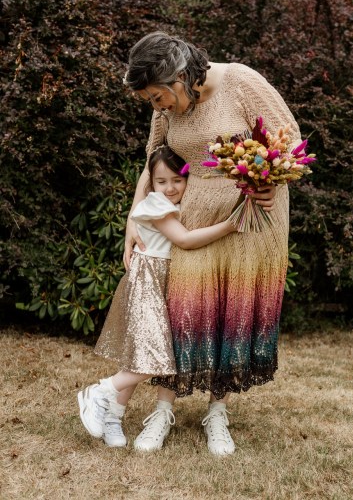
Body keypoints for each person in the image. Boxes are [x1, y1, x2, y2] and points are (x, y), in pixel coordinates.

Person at [121, 31, 303, 456]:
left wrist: (270, 183)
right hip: (194, 217)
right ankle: (163, 409)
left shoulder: (240, 81)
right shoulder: (165, 109)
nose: (158, 106)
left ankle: (217, 411)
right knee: (181, 308)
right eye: (151, 101)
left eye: (159, 97)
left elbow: (289, 139)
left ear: (180, 76)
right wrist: (134, 218)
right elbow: (153, 160)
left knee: (231, 307)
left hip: (252, 218)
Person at [78, 145, 237, 448]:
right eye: (161, 181)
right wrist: (230, 226)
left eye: (177, 180)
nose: (170, 188)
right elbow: (185, 240)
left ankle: (112, 416)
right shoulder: (155, 205)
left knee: (137, 355)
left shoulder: (170, 202)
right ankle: (99, 392)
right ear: (150, 182)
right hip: (149, 282)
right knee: (153, 359)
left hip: (164, 282)